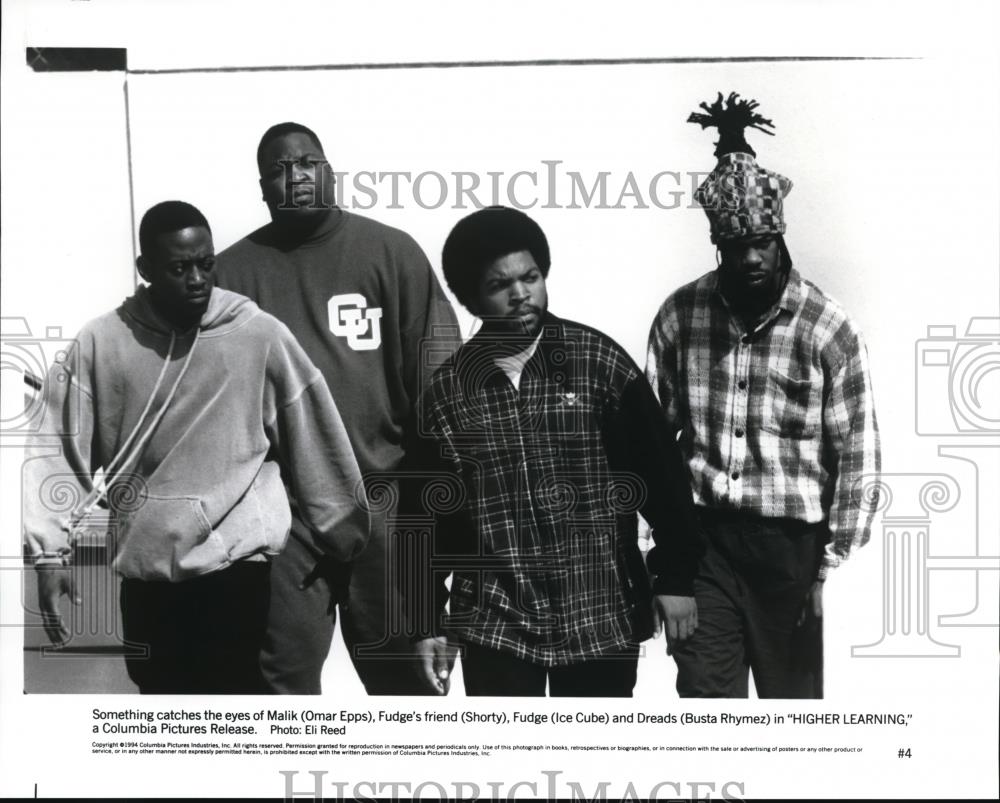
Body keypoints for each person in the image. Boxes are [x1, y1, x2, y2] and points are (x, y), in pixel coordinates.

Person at [23, 201, 368, 694]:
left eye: (206, 264)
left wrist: (344, 542)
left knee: (232, 703)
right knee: (162, 707)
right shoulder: (102, 342)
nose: (197, 280)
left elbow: (316, 434)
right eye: (179, 268)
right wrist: (50, 557)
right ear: (145, 269)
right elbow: (55, 448)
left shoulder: (257, 334)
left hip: (235, 570)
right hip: (147, 575)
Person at [403, 206, 702, 697]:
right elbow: (422, 522)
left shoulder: (599, 364)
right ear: (470, 297)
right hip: (495, 627)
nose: (521, 295)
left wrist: (676, 578)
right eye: (500, 285)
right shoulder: (446, 396)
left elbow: (662, 477)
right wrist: (425, 623)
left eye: (531, 277)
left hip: (599, 618)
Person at [646, 93, 881, 698]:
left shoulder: (828, 328)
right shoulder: (680, 317)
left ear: (780, 239)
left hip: (790, 554)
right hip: (704, 545)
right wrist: (664, 562)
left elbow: (857, 454)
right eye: (736, 247)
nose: (751, 258)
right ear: (717, 246)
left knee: (792, 717)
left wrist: (828, 568)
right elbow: (652, 444)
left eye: (763, 243)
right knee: (707, 704)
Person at [215, 122, 459, 695]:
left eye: (307, 162)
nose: (296, 176)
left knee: (407, 687)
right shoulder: (230, 276)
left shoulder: (391, 253)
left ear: (329, 171)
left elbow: (440, 392)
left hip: (385, 502)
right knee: (281, 686)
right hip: (286, 513)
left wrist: (435, 515)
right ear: (262, 188)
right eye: (280, 169)